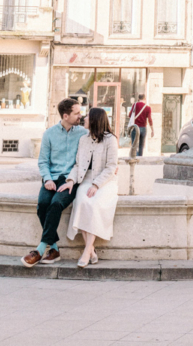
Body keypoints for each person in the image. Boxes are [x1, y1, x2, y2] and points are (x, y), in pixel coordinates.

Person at [21, 96, 84, 267]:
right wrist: (47, 179)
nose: (81, 116)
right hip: (52, 178)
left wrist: (72, 179)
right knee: (42, 205)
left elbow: (82, 163)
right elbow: (43, 161)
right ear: (65, 116)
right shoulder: (49, 134)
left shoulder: (83, 134)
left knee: (56, 204)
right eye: (77, 113)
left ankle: (40, 250)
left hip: (71, 179)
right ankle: (54, 248)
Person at [66, 105, 120, 267]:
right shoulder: (83, 139)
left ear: (95, 120)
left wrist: (97, 185)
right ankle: (91, 251)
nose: (84, 118)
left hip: (105, 182)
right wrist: (70, 180)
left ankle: (87, 250)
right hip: (86, 180)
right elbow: (77, 165)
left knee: (95, 204)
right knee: (81, 202)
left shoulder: (111, 140)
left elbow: (111, 167)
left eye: (88, 116)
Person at [126, 92, 153, 158]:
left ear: (138, 98)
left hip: (135, 127)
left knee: (134, 144)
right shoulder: (148, 108)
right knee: (141, 145)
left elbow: (129, 115)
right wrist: (152, 130)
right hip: (143, 128)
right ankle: (139, 158)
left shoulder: (135, 105)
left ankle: (134, 157)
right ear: (144, 98)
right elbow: (149, 119)